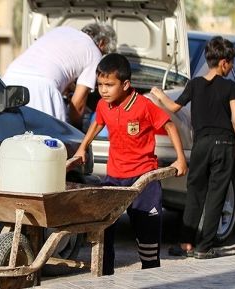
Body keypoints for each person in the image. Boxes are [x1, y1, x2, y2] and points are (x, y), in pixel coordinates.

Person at [74, 53, 187, 274]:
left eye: (109, 85)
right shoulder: (103, 105)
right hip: (115, 177)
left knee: (147, 233)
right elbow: (97, 123)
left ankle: (151, 273)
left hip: (144, 178)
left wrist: (181, 159)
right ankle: (105, 275)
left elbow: (170, 126)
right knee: (105, 230)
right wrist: (82, 146)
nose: (103, 90)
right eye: (100, 84)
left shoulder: (143, 106)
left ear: (126, 84)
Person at [150, 36, 235, 259]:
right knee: (216, 195)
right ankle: (204, 247)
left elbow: (173, 106)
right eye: (231, 63)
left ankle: (185, 244)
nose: (232, 68)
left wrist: (159, 95)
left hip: (201, 145)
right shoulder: (230, 87)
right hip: (223, 144)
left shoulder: (194, 84)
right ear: (223, 62)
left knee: (195, 193)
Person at [2, 23, 116, 128]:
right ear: (102, 43)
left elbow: (58, 65)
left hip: (9, 80)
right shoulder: (94, 52)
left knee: (11, 137)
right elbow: (77, 105)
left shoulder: (62, 30)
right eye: (104, 53)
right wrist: (79, 130)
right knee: (46, 143)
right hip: (41, 88)